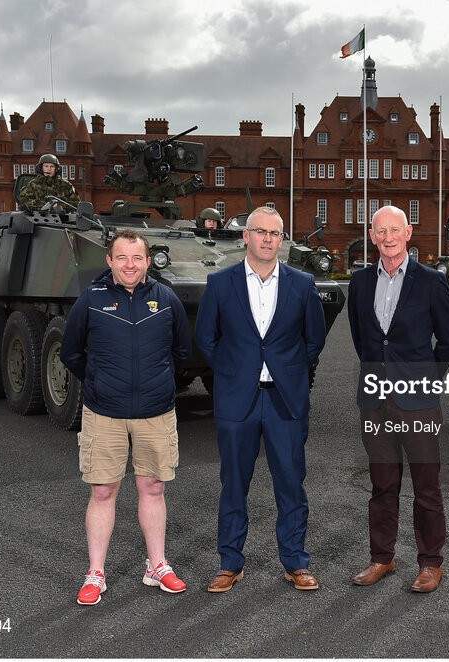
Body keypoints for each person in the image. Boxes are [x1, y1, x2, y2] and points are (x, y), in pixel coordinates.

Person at [195, 206, 326, 592]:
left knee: (291, 484)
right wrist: (235, 370)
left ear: (281, 240)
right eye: (260, 231)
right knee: (234, 484)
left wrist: (288, 369)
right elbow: (206, 338)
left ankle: (296, 562)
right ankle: (229, 563)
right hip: (239, 401)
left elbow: (314, 339)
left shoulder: (302, 284)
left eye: (275, 233)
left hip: (286, 402)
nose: (268, 239)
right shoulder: (220, 283)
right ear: (246, 236)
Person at [60, 228, 193, 606]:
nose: (129, 265)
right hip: (105, 413)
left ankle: (157, 566)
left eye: (137, 258)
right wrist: (101, 381)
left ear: (148, 262)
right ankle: (96, 573)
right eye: (122, 257)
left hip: (156, 413)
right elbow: (71, 353)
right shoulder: (91, 300)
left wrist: (159, 382)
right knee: (103, 491)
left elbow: (182, 352)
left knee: (153, 487)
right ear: (110, 261)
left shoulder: (166, 299)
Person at [347, 205, 449, 593]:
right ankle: (382, 558)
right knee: (382, 485)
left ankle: (430, 562)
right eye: (381, 231)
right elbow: (364, 341)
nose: (389, 238)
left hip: (418, 401)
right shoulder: (360, 282)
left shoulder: (431, 281)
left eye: (396, 230)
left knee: (427, 486)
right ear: (373, 235)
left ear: (409, 233)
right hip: (375, 399)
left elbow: (448, 340)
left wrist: (425, 381)